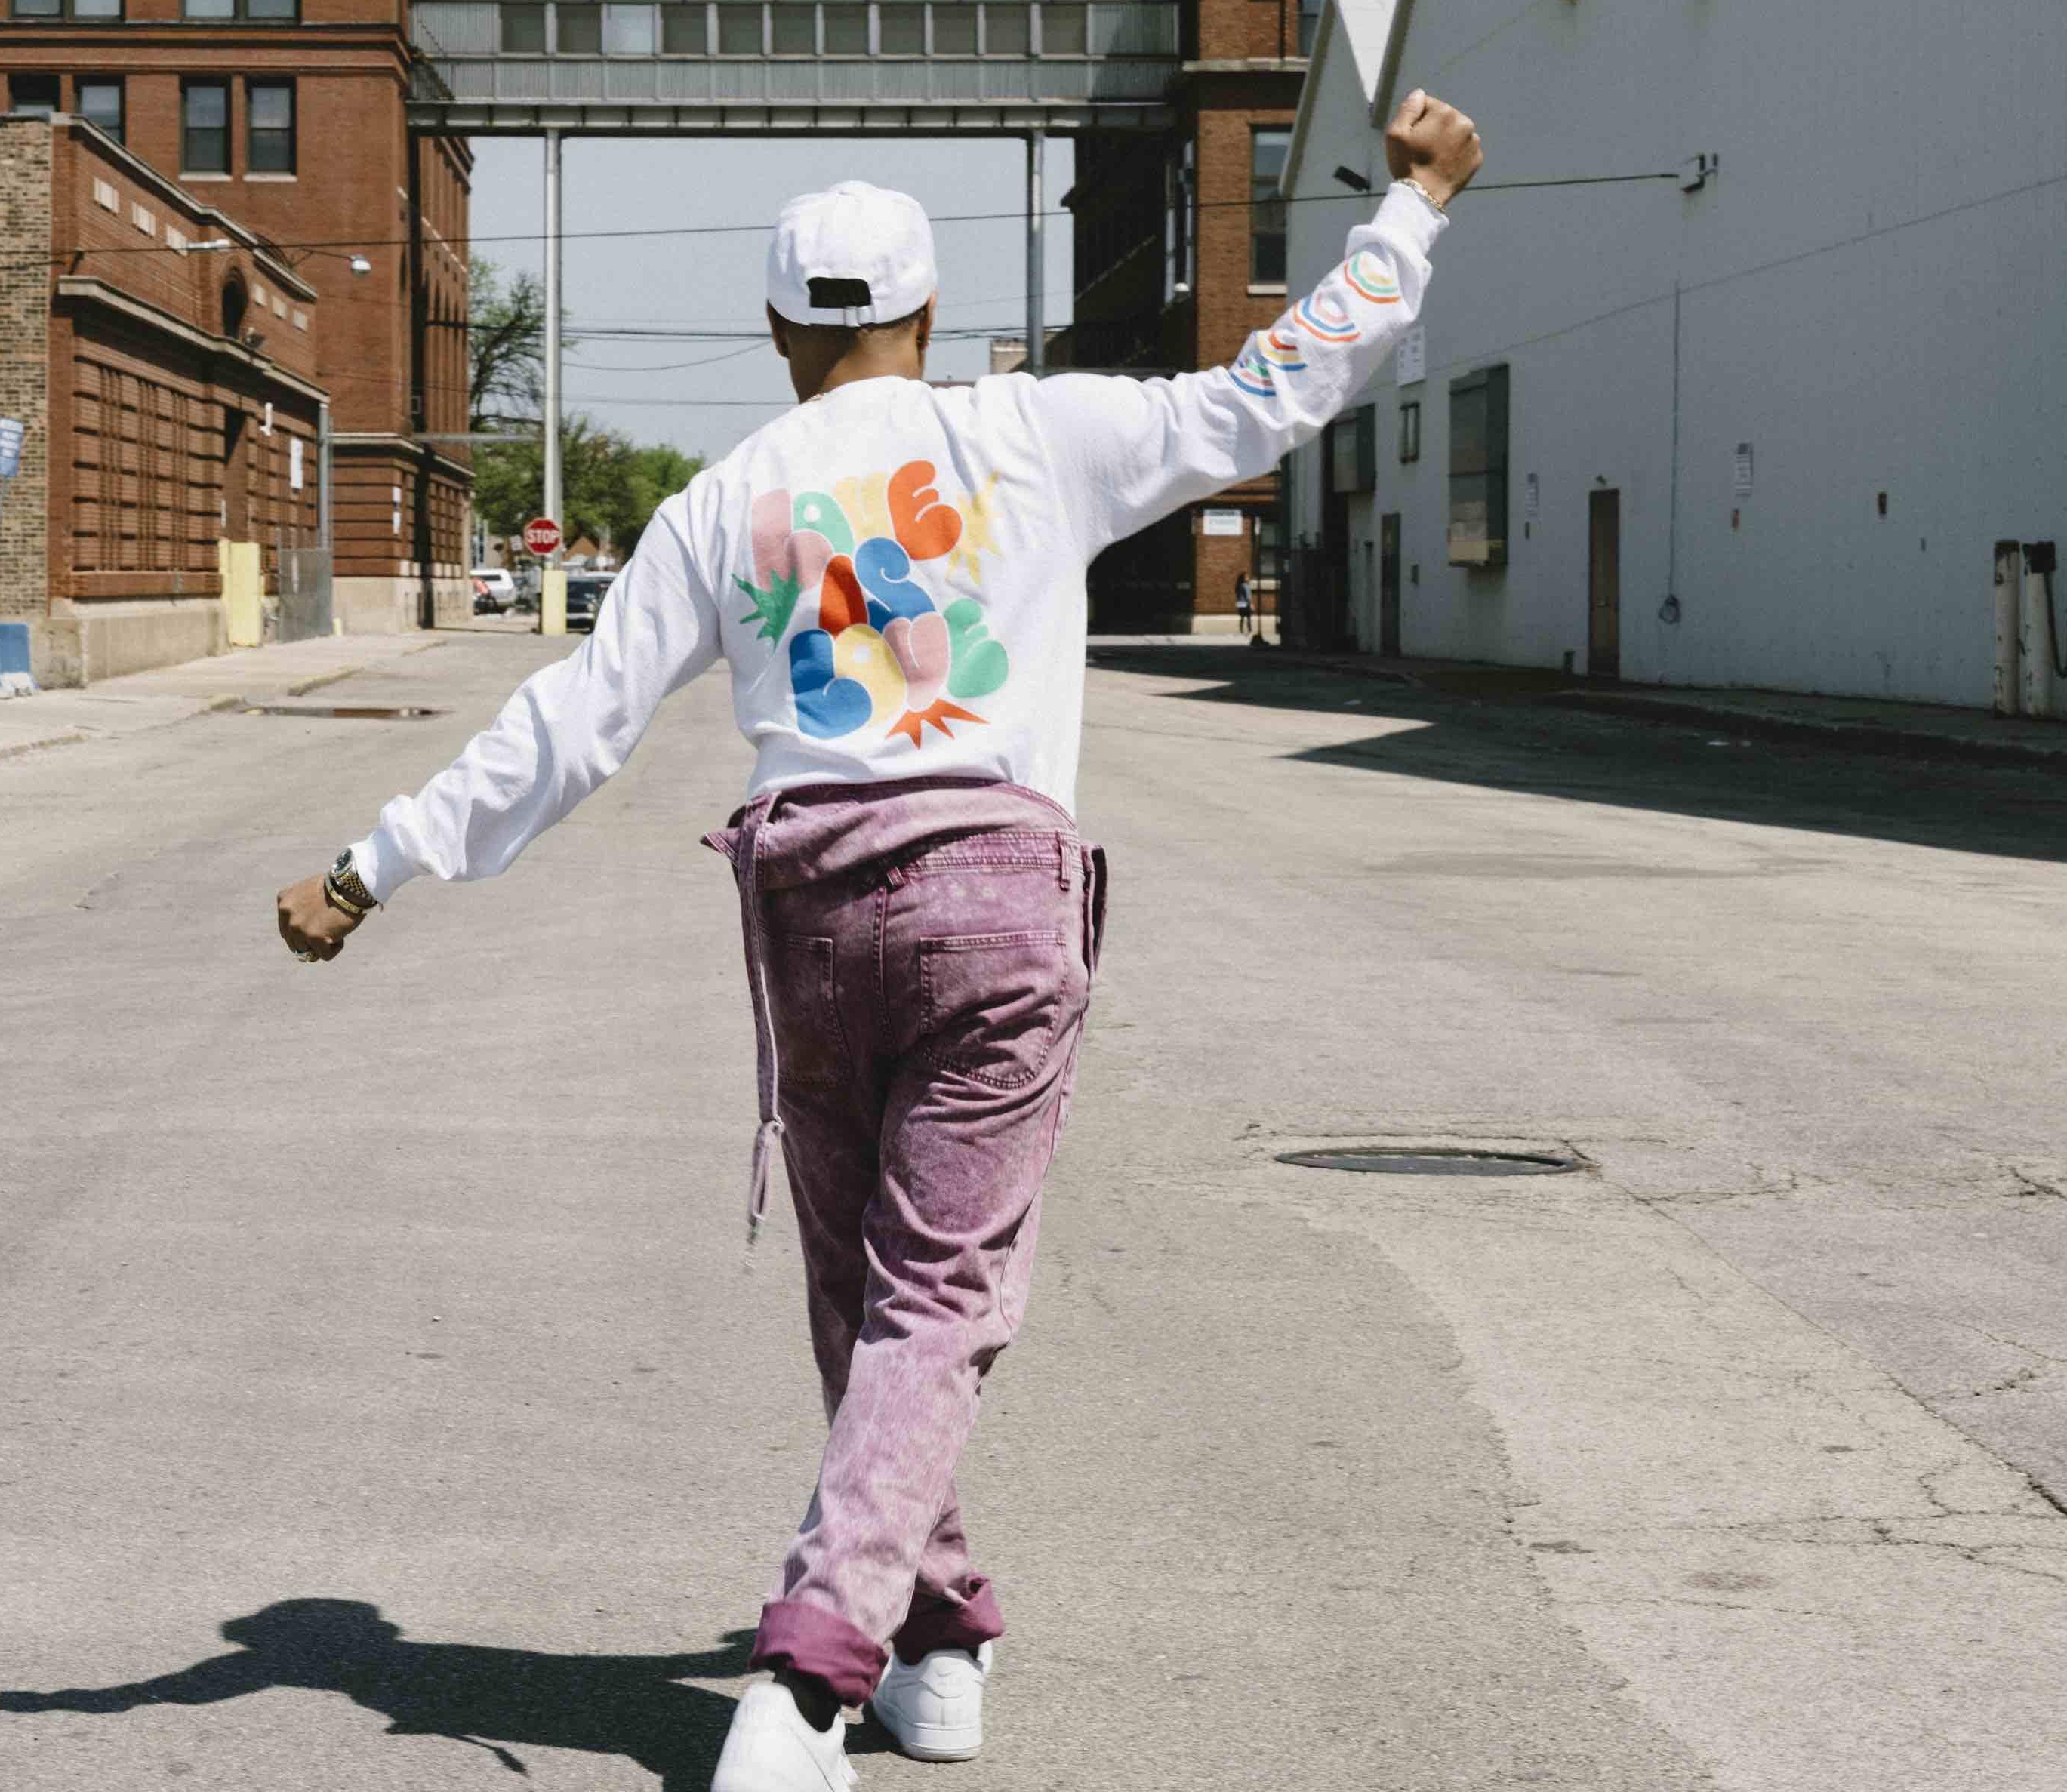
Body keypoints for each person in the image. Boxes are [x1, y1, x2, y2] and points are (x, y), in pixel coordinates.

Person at [276, 91, 1480, 1791]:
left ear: (778, 329)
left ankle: (935, 1643)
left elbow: (576, 720)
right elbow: (1270, 389)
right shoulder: (1040, 432)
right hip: (996, 894)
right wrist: (1411, 210)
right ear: (926, 311)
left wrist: (372, 862)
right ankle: (814, 1678)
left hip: (813, 907)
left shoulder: (725, 498)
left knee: (869, 1300)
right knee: (930, 1300)